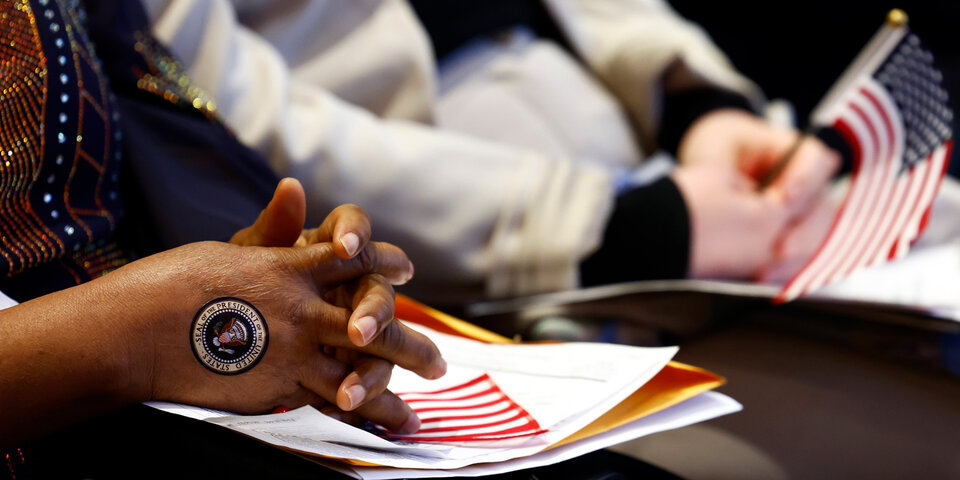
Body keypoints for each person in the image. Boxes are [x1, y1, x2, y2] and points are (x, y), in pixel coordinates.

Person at [140, 0, 842, 304]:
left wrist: (695, 103)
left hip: (634, 126)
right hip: (453, 200)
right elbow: (203, 94)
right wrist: (610, 232)